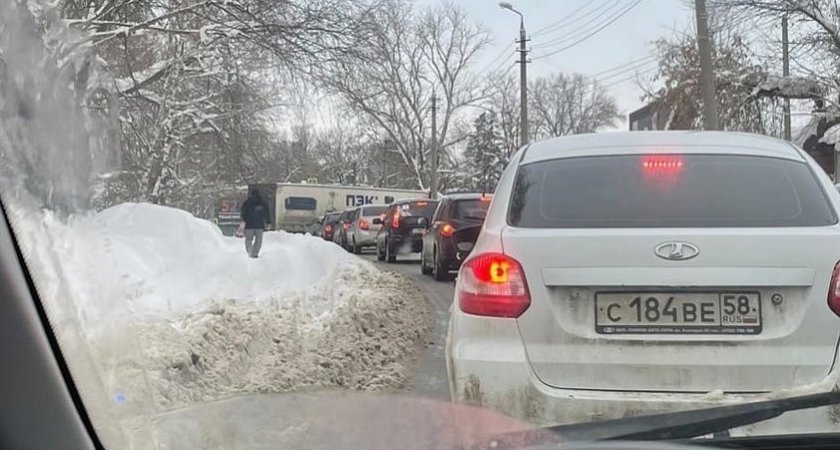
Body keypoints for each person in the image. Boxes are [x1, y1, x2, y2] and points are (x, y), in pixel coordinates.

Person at [240, 188, 271, 258]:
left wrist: (243, 220)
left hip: (249, 225)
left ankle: (250, 250)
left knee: (248, 239)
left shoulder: (247, 203)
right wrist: (268, 222)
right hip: (259, 225)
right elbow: (266, 214)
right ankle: (255, 253)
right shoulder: (263, 203)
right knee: (258, 240)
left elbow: (243, 213)